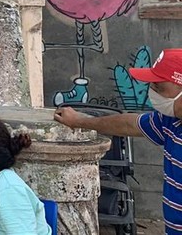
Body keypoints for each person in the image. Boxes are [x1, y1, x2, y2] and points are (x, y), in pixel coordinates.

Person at [54, 48, 182, 235]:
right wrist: (79, 120)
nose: (153, 92)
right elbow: (129, 124)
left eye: (159, 87)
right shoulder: (169, 120)